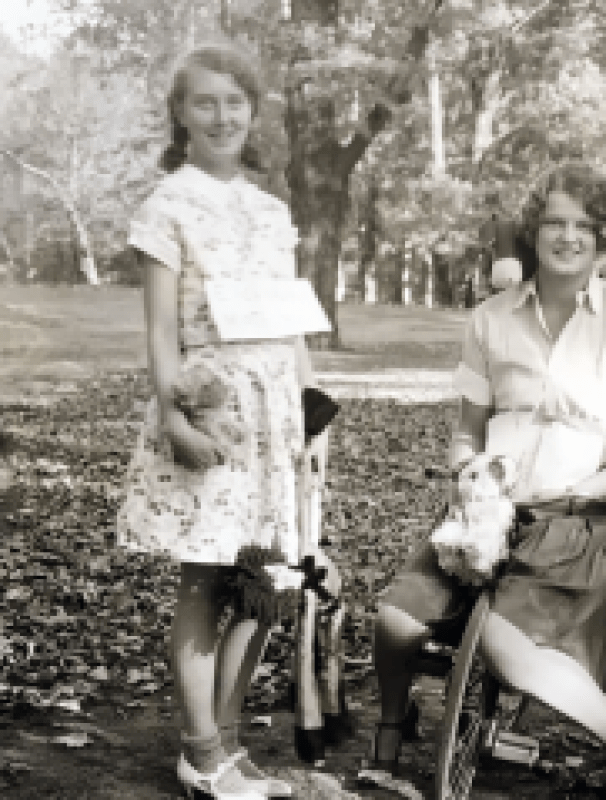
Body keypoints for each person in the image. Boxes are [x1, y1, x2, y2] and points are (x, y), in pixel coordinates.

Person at [371, 163, 606, 800]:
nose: (567, 237)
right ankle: (393, 722)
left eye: (582, 227)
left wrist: (598, 486)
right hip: (488, 513)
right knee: (395, 622)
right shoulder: (492, 319)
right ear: (532, 232)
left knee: (504, 649)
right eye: (553, 223)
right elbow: (468, 428)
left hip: (578, 521)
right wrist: (467, 471)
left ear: (603, 238)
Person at [117, 42, 315, 800]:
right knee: (205, 583)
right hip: (211, 406)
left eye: (236, 102)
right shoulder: (167, 205)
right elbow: (162, 333)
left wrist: (313, 408)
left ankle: (227, 746)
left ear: (252, 111)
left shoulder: (272, 210)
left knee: (265, 582)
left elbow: (290, 323)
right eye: (206, 102)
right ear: (181, 113)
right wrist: (175, 416)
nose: (223, 115)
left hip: (276, 414)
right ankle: (199, 751)